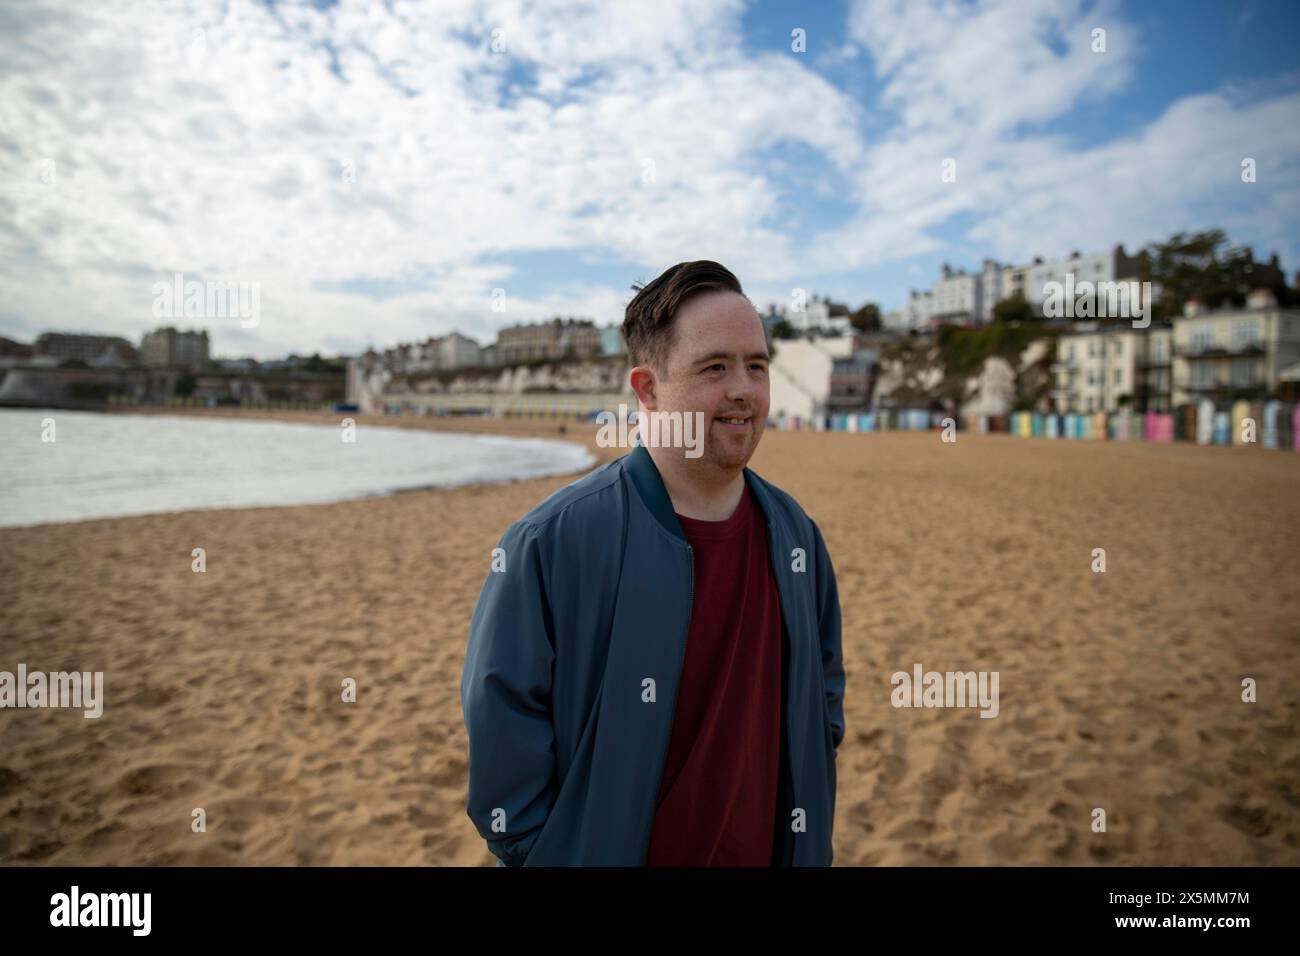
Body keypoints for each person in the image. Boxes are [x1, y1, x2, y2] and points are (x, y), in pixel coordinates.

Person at [460, 260, 845, 866]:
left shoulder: (796, 537)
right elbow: (503, 732)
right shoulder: (551, 542)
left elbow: (822, 700)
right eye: (714, 367)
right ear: (648, 389)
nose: (743, 389)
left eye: (757, 366)